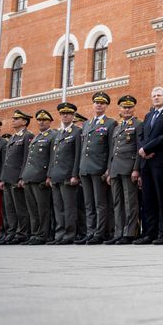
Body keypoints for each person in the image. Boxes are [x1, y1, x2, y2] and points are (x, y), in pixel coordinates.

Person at [136, 86, 163, 245]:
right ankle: (149, 232)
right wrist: (143, 151)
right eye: (154, 95)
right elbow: (142, 136)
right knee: (148, 199)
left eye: (159, 95)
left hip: (160, 162)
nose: (156, 98)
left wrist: (147, 148)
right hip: (147, 163)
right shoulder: (149, 115)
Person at [79, 92, 118, 245]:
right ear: (93, 104)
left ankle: (100, 233)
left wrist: (108, 169)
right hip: (85, 168)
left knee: (100, 203)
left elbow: (111, 148)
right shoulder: (87, 124)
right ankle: (90, 232)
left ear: (106, 105)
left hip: (99, 168)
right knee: (88, 203)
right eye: (96, 102)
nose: (99, 105)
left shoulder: (110, 123)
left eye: (102, 103)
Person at [107, 95, 143, 245]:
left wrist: (136, 169)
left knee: (130, 202)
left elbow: (139, 148)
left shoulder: (138, 124)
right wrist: (109, 170)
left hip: (129, 168)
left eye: (129, 107)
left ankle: (130, 232)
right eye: (124, 107)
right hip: (115, 169)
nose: (127, 110)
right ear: (120, 109)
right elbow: (112, 151)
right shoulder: (117, 127)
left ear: (133, 108)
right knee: (117, 202)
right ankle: (118, 232)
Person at [48, 102, 82, 245]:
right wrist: (49, 175)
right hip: (56, 175)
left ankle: (69, 234)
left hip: (68, 175)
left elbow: (77, 155)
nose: (65, 116)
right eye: (63, 113)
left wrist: (75, 175)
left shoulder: (77, 132)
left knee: (69, 207)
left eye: (68, 113)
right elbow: (53, 156)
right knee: (58, 207)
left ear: (73, 116)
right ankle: (59, 234)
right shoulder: (58, 133)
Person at [0, 110, 33, 245]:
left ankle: (22, 233)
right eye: (13, 118)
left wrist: (22, 177)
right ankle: (11, 232)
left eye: (16, 118)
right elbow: (6, 160)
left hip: (17, 178)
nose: (13, 120)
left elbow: (26, 158)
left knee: (20, 208)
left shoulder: (27, 136)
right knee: (9, 208)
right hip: (8, 178)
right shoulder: (12, 137)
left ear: (24, 122)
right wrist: (2, 178)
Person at [21, 110, 55, 245]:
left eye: (44, 120)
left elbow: (52, 158)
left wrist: (49, 175)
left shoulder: (53, 135)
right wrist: (24, 176)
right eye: (39, 120)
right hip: (29, 177)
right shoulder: (36, 137)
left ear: (50, 122)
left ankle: (43, 234)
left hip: (41, 177)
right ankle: (35, 233)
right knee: (33, 209)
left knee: (43, 209)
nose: (41, 122)